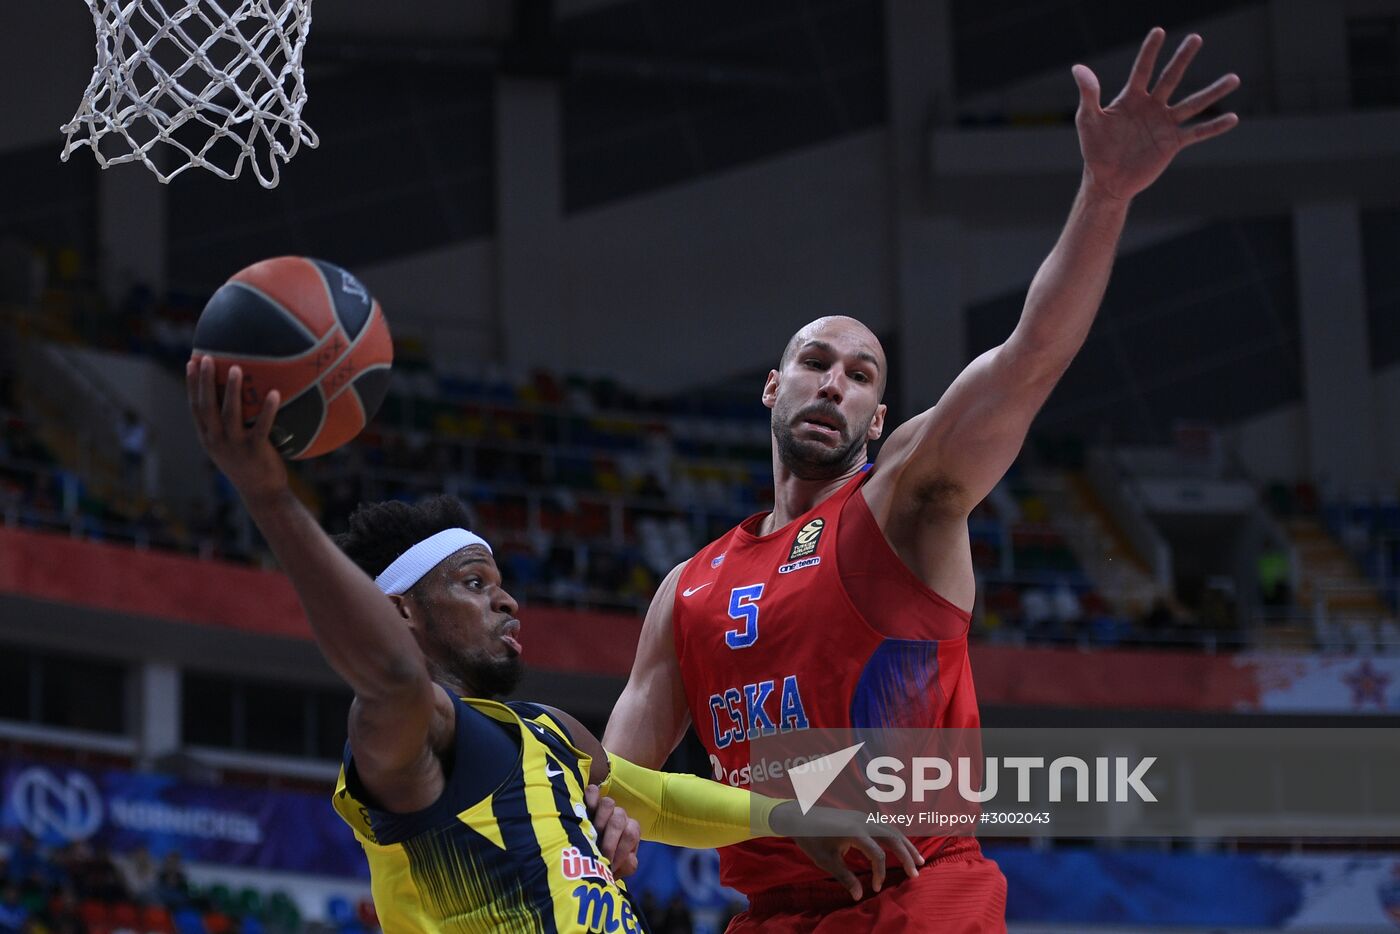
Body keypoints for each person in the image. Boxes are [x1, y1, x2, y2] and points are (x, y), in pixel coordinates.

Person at [603, 26, 1240, 932]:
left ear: (879, 417)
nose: (835, 381)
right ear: (772, 387)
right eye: (816, 361)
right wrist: (603, 834)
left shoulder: (904, 499)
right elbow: (622, 791)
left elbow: (1027, 361)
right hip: (773, 913)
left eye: (861, 375)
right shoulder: (688, 589)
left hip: (916, 903)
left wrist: (1104, 194)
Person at [185, 357, 920, 933]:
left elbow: (660, 797)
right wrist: (271, 498)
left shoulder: (550, 732)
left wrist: (795, 817)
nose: (505, 598)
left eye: (499, 580)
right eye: (474, 584)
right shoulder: (413, 735)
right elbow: (389, 676)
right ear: (402, 610)